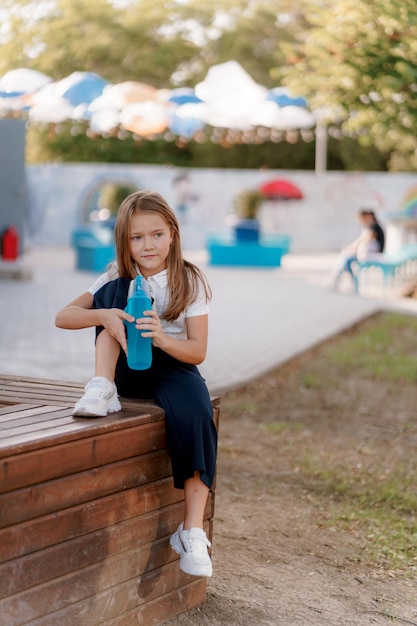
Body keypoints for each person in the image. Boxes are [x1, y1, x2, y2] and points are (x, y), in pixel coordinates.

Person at [55, 190, 218, 578]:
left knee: (198, 412)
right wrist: (108, 316)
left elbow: (197, 352)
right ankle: (102, 387)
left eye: (157, 234)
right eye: (137, 237)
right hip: (125, 364)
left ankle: (191, 530)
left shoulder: (189, 279)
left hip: (173, 364)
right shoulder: (115, 273)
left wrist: (161, 338)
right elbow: (63, 316)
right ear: (124, 240)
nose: (148, 245)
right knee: (113, 296)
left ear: (173, 234)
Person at [333, 209, 385, 289]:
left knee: (346, 259)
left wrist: (352, 249)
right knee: (346, 261)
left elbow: (365, 241)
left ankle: (349, 281)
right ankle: (349, 281)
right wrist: (350, 248)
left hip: (372, 256)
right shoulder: (369, 227)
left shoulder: (374, 227)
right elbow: (362, 241)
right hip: (367, 254)